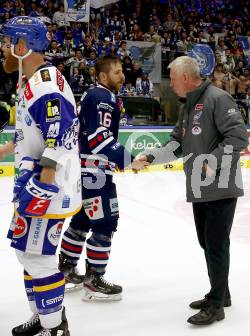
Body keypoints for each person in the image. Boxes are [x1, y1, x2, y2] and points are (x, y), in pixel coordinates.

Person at [137, 56, 248, 325]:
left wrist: (213, 160)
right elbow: (177, 142)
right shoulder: (189, 106)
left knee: (216, 245)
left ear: (185, 77)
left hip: (221, 187)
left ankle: (216, 305)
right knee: (207, 243)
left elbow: (238, 137)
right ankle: (221, 293)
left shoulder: (218, 99)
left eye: (172, 79)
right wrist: (151, 157)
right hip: (200, 188)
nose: (171, 84)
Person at [2, 16, 82, 335]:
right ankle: (44, 316)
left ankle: (55, 327)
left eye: (8, 43)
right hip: (33, 181)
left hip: (46, 186)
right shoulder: (33, 80)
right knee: (27, 253)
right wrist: (9, 149)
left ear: (22, 47)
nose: (5, 49)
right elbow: (36, 131)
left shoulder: (45, 82)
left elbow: (60, 130)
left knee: (39, 257)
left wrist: (44, 177)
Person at [58, 55, 147, 302]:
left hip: (85, 170)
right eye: (117, 72)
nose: (122, 76)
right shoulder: (103, 97)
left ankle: (65, 271)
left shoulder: (92, 94)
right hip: (95, 174)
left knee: (82, 220)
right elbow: (100, 138)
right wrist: (128, 160)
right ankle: (94, 279)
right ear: (103, 76)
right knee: (105, 222)